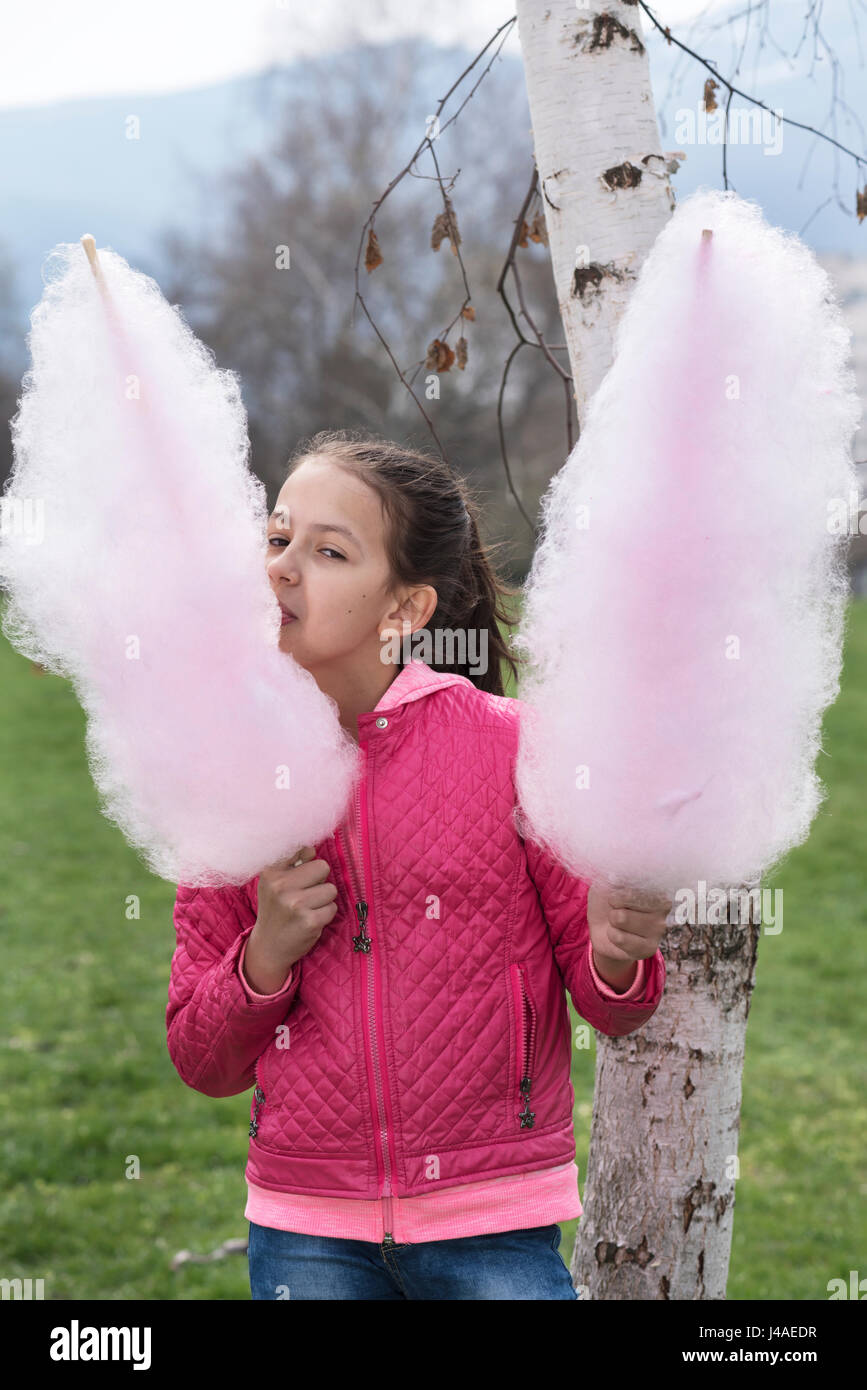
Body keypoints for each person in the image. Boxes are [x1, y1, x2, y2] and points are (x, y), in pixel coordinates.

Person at [166, 428, 670, 1300]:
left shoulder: (515, 753)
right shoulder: (226, 777)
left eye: (327, 551)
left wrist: (617, 956)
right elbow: (201, 1060)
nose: (281, 566)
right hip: (304, 1226)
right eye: (275, 537)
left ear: (405, 609)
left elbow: (609, 1008)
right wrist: (264, 956)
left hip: (492, 1220)